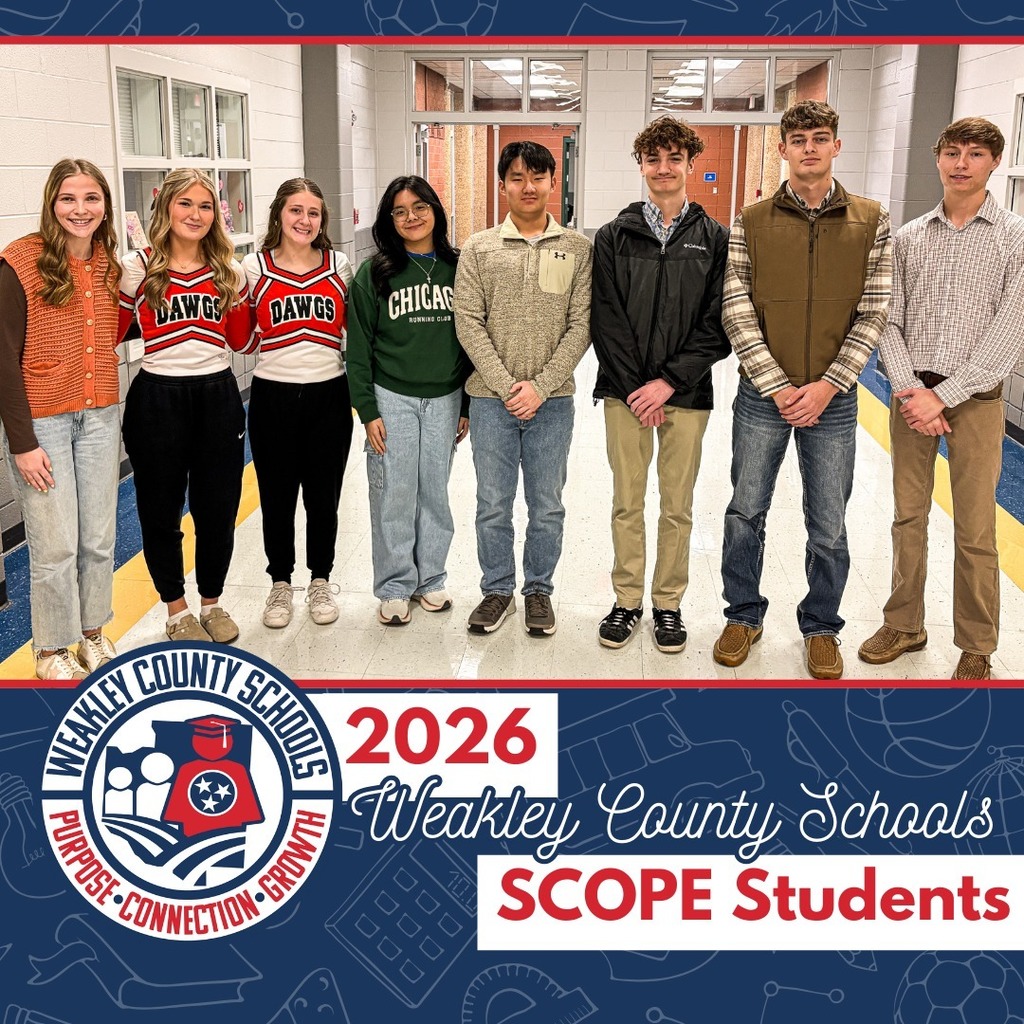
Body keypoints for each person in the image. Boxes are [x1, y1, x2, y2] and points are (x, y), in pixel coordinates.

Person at [715, 99, 892, 679]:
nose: (810, 147)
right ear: (784, 149)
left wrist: (827, 385)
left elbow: (874, 311)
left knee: (829, 521)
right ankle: (742, 614)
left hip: (835, 400)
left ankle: (821, 627)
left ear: (836, 146)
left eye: (821, 137)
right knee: (746, 510)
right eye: (799, 139)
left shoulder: (872, 219)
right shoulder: (752, 220)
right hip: (761, 397)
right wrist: (777, 384)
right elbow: (735, 305)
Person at [859, 118, 1024, 680]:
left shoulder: (1014, 238)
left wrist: (945, 396)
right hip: (911, 397)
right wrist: (912, 393)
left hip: (976, 399)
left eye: (975, 154)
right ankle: (905, 623)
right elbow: (887, 319)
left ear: (993, 163)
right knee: (908, 518)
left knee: (975, 529)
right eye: (951, 152)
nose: (961, 163)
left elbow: (1010, 330)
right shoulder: (907, 238)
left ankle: (976, 645)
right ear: (937, 159)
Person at [591, 116, 731, 653]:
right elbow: (606, 319)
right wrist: (636, 388)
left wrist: (668, 382)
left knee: (677, 505)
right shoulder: (613, 235)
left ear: (691, 163)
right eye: (654, 159)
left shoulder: (715, 238)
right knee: (627, 501)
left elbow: (719, 321)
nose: (664, 168)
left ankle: (667, 604)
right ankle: (626, 600)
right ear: (642, 165)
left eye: (675, 158)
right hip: (625, 394)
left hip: (687, 394)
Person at [453, 141, 592, 637]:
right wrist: (509, 385)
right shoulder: (479, 247)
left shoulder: (576, 248)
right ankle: (496, 590)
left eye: (537, 176)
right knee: (492, 502)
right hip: (491, 403)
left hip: (553, 404)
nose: (527, 186)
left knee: (546, 503)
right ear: (502, 184)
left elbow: (582, 324)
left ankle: (538, 592)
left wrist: (540, 386)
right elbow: (467, 321)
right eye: (516, 177)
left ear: (554, 182)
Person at [0, 159, 122, 679]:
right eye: (68, 198)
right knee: (55, 544)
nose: (80, 209)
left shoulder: (109, 262)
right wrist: (21, 441)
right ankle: (51, 648)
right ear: (52, 203)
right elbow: (3, 356)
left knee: (97, 537)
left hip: (99, 415)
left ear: (105, 206)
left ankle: (92, 633)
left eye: (91, 198)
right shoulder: (19, 262)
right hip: (42, 422)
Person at [118, 168, 251, 644]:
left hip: (217, 394)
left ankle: (211, 603)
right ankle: (176, 610)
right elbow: (110, 333)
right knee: (160, 510)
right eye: (186, 204)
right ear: (165, 208)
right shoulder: (138, 267)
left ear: (216, 214)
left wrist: (237, 293)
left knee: (218, 508)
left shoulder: (227, 267)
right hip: (157, 398)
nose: (196, 215)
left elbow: (238, 341)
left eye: (206, 205)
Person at [346, 176, 470, 626]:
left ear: (435, 211)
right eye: (399, 211)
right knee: (394, 494)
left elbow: (473, 339)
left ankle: (431, 579)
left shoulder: (460, 268)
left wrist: (467, 405)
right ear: (389, 220)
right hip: (391, 395)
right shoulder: (373, 273)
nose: (411, 217)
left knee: (434, 492)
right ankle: (396, 586)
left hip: (445, 396)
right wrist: (368, 410)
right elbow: (357, 349)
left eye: (420, 207)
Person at [242, 178, 354, 629]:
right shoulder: (253, 267)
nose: (304, 220)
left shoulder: (339, 265)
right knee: (277, 496)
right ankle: (280, 583)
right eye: (295, 210)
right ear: (278, 215)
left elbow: (354, 332)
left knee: (324, 498)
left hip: (330, 393)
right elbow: (245, 338)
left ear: (322, 220)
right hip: (272, 395)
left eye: (313, 212)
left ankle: (321, 579)